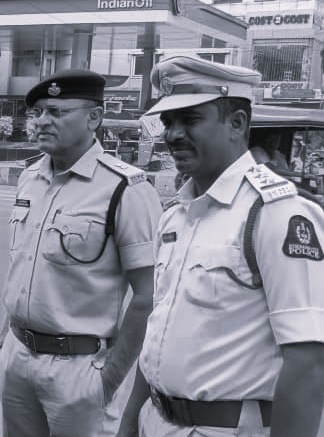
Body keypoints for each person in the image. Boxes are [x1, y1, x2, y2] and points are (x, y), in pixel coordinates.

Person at [119, 55, 324, 436]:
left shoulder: (276, 214)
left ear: (237, 124)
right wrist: (130, 420)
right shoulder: (175, 215)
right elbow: (159, 332)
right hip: (157, 422)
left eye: (190, 119)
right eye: (168, 122)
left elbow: (308, 361)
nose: (173, 134)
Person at [0, 69, 162, 436]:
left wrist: (109, 378)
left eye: (57, 112)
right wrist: (6, 332)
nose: (42, 121)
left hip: (79, 367)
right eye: (39, 112)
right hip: (17, 356)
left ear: (94, 117)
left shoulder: (125, 189)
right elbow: (24, 264)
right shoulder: (30, 178)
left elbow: (148, 295)